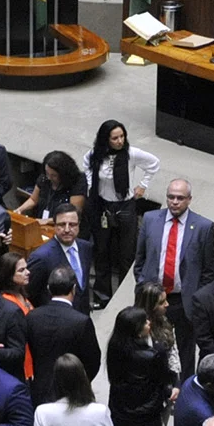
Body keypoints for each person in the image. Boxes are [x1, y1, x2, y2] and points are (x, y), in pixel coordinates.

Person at [80, 119, 159, 301]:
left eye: (122, 136)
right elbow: (87, 166)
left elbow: (154, 164)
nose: (120, 141)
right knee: (102, 252)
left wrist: (143, 186)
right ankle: (102, 295)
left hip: (125, 206)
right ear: (105, 139)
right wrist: (93, 185)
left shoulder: (131, 154)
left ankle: (126, 297)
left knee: (126, 254)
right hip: (102, 206)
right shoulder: (95, 154)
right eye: (115, 138)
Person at [24, 268, 102, 404]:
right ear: (74, 289)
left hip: (40, 390)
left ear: (48, 289)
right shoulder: (81, 321)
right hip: (74, 392)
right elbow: (93, 360)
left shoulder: (32, 317)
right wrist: (81, 382)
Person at [106, 305, 175, 426]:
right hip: (147, 417)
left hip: (120, 413)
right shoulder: (155, 355)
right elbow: (164, 379)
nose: (149, 323)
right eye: (144, 322)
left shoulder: (114, 349)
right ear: (136, 331)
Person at [13, 152, 87, 226]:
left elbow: (73, 213)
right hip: (43, 224)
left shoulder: (78, 182)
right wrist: (20, 209)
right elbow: (33, 199)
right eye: (47, 173)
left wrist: (47, 221)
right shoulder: (44, 178)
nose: (49, 178)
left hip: (64, 227)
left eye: (53, 175)